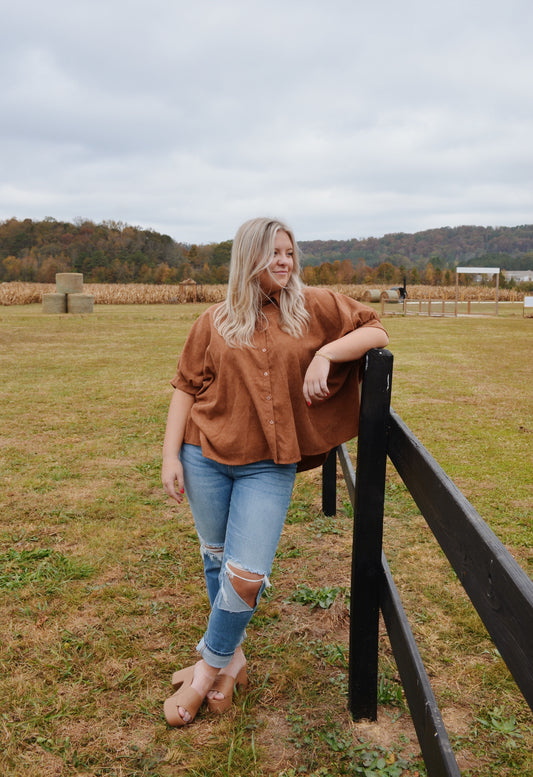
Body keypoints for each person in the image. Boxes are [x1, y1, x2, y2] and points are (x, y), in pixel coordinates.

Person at [161, 217, 389, 726]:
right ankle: (233, 661)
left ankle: (204, 671)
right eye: (274, 252)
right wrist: (170, 455)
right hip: (205, 455)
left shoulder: (316, 308)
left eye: (289, 251)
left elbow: (376, 329)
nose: (285, 261)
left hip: (269, 465)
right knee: (218, 560)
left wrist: (327, 353)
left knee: (247, 576)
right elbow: (185, 386)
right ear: (249, 258)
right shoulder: (213, 321)